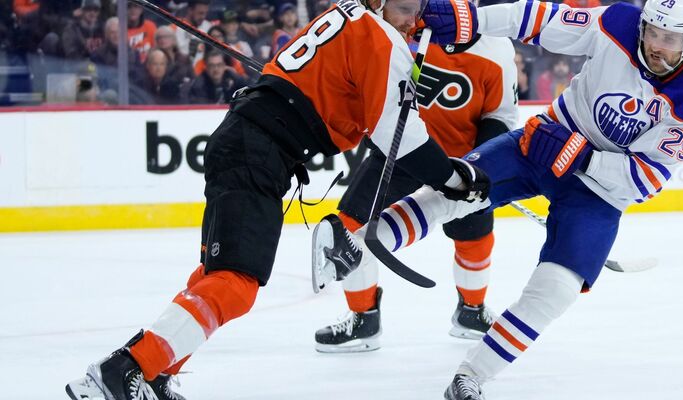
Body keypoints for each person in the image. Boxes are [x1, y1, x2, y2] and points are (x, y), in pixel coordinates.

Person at [63, 0, 479, 398]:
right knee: (236, 285)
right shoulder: (382, 39)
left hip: (244, 138)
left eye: (419, 12)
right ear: (378, 2)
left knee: (212, 276)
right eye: (406, 10)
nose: (413, 21)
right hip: (259, 150)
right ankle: (124, 370)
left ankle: (154, 375)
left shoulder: (349, 14)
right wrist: (453, 179)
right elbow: (398, 136)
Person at [312, 0, 683, 398]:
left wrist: (583, 156)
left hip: (599, 191)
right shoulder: (618, 23)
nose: (657, 45)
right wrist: (475, 19)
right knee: (455, 191)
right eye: (653, 32)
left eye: (670, 38)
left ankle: (471, 376)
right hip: (544, 142)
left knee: (556, 290)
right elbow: (539, 19)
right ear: (643, 24)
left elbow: (647, 178)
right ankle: (355, 247)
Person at [312, 0, 518, 352]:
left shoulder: (497, 46)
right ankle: (364, 319)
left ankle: (472, 311)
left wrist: (480, 166)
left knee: (474, 236)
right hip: (403, 149)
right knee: (347, 226)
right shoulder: (408, 26)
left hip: (462, 161)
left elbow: (500, 115)